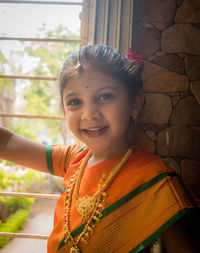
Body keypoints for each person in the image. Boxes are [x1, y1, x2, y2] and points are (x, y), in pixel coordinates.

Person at [0, 44, 199, 253]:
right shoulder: (73, 159)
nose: (89, 114)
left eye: (104, 97)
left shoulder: (154, 179)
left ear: (134, 103)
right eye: (75, 101)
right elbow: (7, 143)